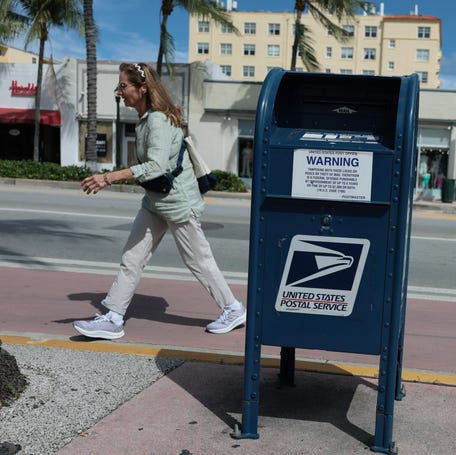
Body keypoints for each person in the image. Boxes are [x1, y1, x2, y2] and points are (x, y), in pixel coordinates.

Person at [72, 62, 246, 340]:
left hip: (178, 203)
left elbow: (156, 167)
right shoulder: (144, 121)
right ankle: (113, 317)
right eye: (119, 86)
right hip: (155, 203)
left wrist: (109, 177)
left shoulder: (157, 120)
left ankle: (233, 308)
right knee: (132, 258)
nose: (119, 92)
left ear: (142, 89)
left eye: (123, 86)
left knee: (198, 260)